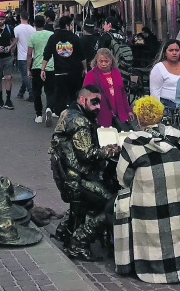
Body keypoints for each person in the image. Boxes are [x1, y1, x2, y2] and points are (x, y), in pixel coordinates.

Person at [114, 96, 180, 282]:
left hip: (149, 210)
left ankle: (147, 267)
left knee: (123, 201)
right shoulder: (176, 135)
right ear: (160, 115)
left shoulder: (132, 142)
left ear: (139, 118)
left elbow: (122, 178)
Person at [49, 84, 120, 261]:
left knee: (95, 198)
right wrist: (112, 149)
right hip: (77, 179)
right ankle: (78, 243)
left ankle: (65, 229)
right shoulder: (80, 121)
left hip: (68, 175)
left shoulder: (68, 112)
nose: (98, 107)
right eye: (94, 102)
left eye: (99, 103)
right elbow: (87, 153)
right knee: (113, 204)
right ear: (82, 100)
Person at [42, 15, 85, 126]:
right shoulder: (75, 38)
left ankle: (62, 120)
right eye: (71, 24)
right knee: (74, 97)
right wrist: (85, 68)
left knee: (60, 97)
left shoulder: (53, 38)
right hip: (74, 72)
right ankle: (73, 120)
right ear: (67, 25)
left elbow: (46, 54)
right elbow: (82, 56)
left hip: (59, 72)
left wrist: (43, 69)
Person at [85, 48, 130, 129]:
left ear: (111, 61)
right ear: (96, 61)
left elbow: (123, 93)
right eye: (101, 61)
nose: (103, 64)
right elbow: (86, 96)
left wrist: (128, 110)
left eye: (106, 61)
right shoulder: (91, 75)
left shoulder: (116, 72)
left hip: (119, 114)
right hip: (100, 115)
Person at [148, 40, 180, 111]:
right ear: (165, 52)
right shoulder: (159, 68)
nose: (174, 53)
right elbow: (154, 92)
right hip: (166, 106)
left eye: (177, 50)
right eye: (171, 50)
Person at [29, 15, 54, 124]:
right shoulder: (51, 35)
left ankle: (38, 114)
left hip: (37, 66)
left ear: (34, 24)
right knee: (50, 91)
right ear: (44, 23)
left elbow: (29, 54)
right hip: (50, 65)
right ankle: (49, 108)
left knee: (37, 91)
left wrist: (28, 69)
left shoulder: (32, 37)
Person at [14, 11, 36, 101]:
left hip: (21, 55)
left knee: (24, 75)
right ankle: (21, 92)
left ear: (20, 18)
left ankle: (32, 93)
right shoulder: (33, 29)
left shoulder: (17, 29)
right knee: (27, 74)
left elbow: (16, 41)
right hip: (32, 55)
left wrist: (11, 48)